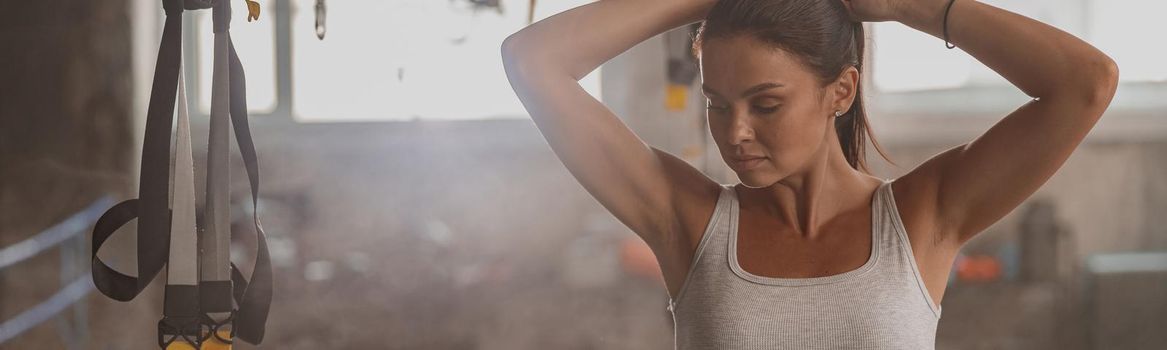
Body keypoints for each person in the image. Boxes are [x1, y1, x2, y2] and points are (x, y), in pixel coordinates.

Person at [501, 0, 1118, 348]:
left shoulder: (923, 217)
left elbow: (1085, 84)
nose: (734, 131)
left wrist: (912, 6)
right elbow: (532, 60)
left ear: (842, 91)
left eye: (765, 104)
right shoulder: (686, 220)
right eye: (717, 104)